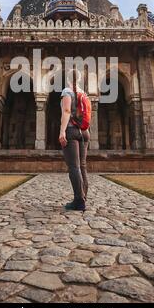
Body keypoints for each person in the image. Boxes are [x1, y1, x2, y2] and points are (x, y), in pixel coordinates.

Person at [59, 68, 90, 211]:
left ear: (67, 79)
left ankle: (79, 200)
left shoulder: (67, 91)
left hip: (71, 130)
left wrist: (62, 131)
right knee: (82, 165)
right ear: (78, 79)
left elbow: (66, 111)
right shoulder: (83, 93)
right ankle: (83, 196)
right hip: (85, 132)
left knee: (74, 166)